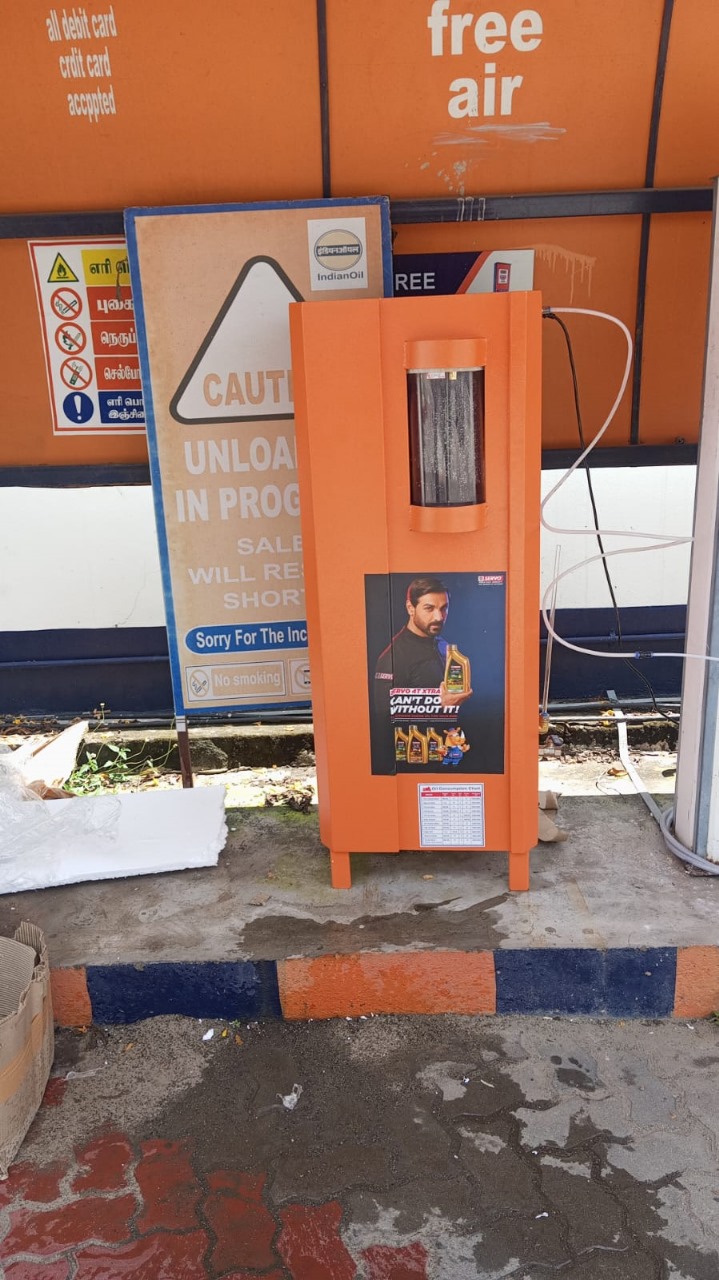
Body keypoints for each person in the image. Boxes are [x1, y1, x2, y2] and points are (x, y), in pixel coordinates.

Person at [372, 578, 473, 768]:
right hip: (417, 760)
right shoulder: (393, 657)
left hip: (449, 755)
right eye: (429, 608)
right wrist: (441, 704)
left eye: (444, 608)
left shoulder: (443, 645)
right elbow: (384, 718)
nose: (439, 617)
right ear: (410, 608)